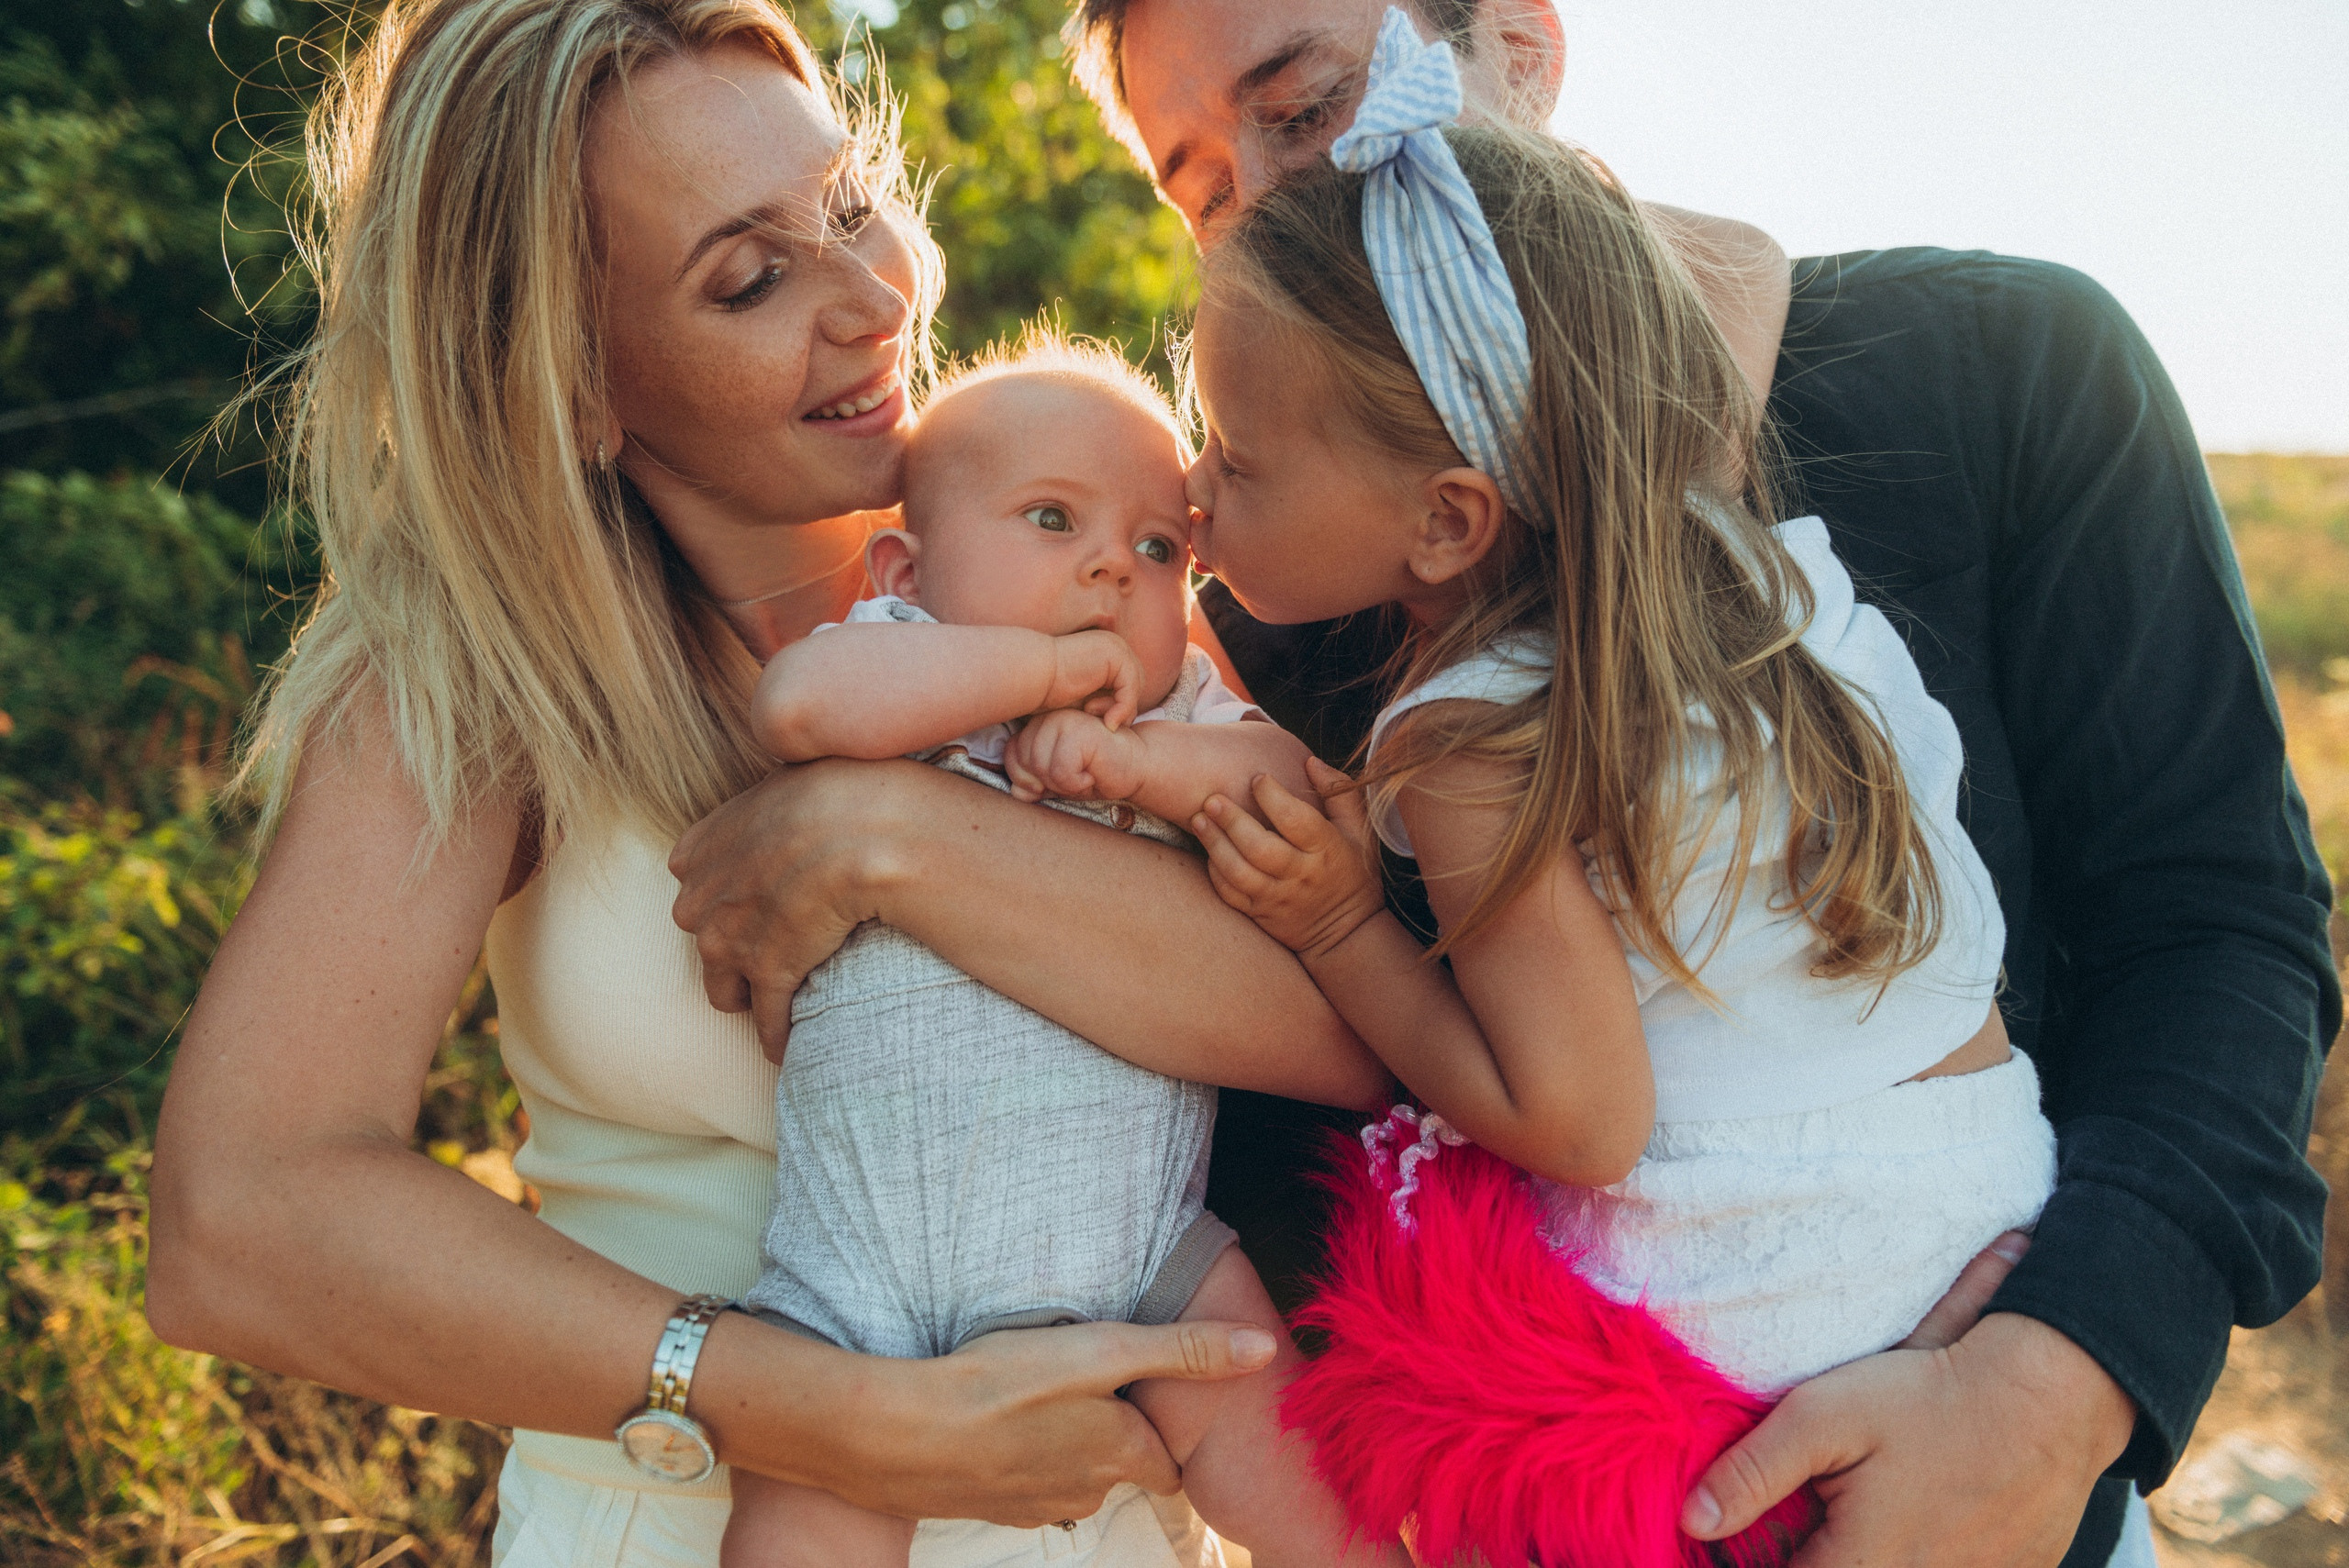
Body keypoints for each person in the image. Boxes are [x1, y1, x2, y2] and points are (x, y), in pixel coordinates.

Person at [1024, 0, 2332, 1564]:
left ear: (1520, 44)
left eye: (1308, 111)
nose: (1274, 207)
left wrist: (2053, 1388)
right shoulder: (1291, 588)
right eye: (1204, 195)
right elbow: (1252, 1131)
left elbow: (2218, 928)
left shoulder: (2009, 366)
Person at [144, 3, 1364, 1563]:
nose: (876, 297)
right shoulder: (469, 673)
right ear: (576, 381)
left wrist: (888, 834)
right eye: (750, 279)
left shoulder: (1060, 557)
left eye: (850, 205)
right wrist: (820, 1414)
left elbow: (1355, 1035)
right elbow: (241, 1219)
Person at [1170, 22, 2059, 1562]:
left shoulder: (1468, 736)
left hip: (1779, 1295)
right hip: (1998, 1203)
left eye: (1235, 460)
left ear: (1448, 522)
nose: (1193, 494)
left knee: (1436, 1320)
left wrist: (1336, 927)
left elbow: (1577, 1120)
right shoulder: (1762, 582)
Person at [722, 339, 1395, 1567]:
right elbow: (799, 707)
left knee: (1311, 1494)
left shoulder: (1175, 709)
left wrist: (1143, 766)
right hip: (855, 1286)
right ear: (905, 570)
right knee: (794, 1531)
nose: (1112, 567)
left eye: (1159, 549)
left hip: (1146, 1255)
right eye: (1051, 519)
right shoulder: (894, 648)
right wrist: (1038, 668)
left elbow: (1295, 785)